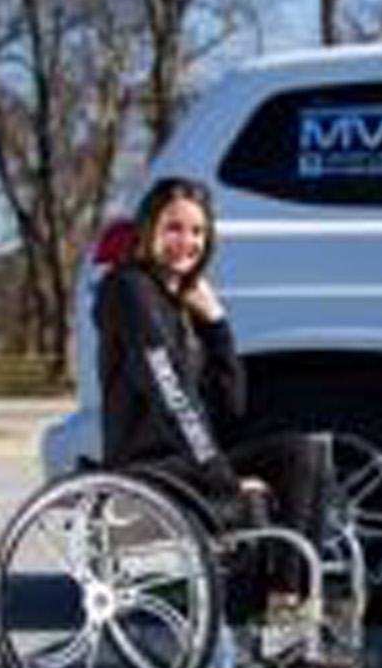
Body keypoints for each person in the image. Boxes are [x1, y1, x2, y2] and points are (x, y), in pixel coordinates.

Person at [95, 176, 325, 643]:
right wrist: (222, 477)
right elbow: (170, 395)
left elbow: (230, 406)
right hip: (151, 466)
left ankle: (288, 605)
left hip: (187, 458)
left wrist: (217, 325)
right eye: (174, 228)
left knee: (303, 453)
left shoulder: (178, 301)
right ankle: (268, 618)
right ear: (148, 231)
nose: (187, 242)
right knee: (259, 487)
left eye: (197, 232)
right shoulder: (130, 290)